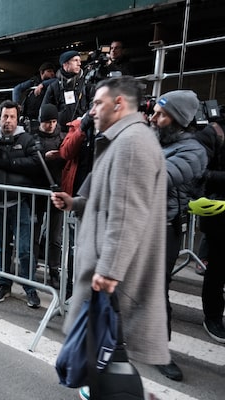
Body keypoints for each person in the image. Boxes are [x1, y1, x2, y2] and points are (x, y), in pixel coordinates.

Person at [51, 76, 170, 398]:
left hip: (114, 273)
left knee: (107, 350)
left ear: (119, 104)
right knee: (101, 351)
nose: (91, 111)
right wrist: (74, 202)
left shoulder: (132, 142)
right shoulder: (119, 140)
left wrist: (110, 270)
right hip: (106, 267)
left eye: (97, 103)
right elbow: (105, 198)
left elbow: (128, 212)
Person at [149, 89, 207, 381]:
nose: (153, 118)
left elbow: (158, 177)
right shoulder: (153, 139)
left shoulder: (193, 151)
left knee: (156, 291)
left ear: (177, 119)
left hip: (163, 229)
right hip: (137, 225)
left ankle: (160, 352)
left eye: (160, 114)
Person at [0, 100, 42, 307]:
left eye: (12, 117)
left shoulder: (27, 139)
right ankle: (3, 283)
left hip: (20, 202)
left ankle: (30, 288)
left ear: (17, 119)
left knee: (24, 249)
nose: (8, 121)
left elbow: (37, 164)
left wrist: (8, 161)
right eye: (5, 116)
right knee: (1, 247)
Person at [194, 121, 225, 344]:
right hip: (219, 214)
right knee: (217, 270)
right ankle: (213, 316)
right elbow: (197, 173)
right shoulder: (214, 131)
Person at [31, 104, 66, 289]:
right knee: (34, 234)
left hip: (57, 191)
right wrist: (44, 158)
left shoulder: (63, 137)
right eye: (47, 122)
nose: (51, 125)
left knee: (55, 238)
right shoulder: (33, 137)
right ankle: (31, 268)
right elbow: (29, 161)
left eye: (53, 121)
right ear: (41, 121)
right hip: (37, 191)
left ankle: (54, 272)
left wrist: (60, 156)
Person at [42, 50, 94, 132]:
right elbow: (45, 110)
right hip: (61, 132)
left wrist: (84, 121)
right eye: (75, 60)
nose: (79, 64)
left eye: (79, 60)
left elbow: (94, 105)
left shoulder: (86, 83)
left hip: (83, 130)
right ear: (65, 64)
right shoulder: (54, 86)